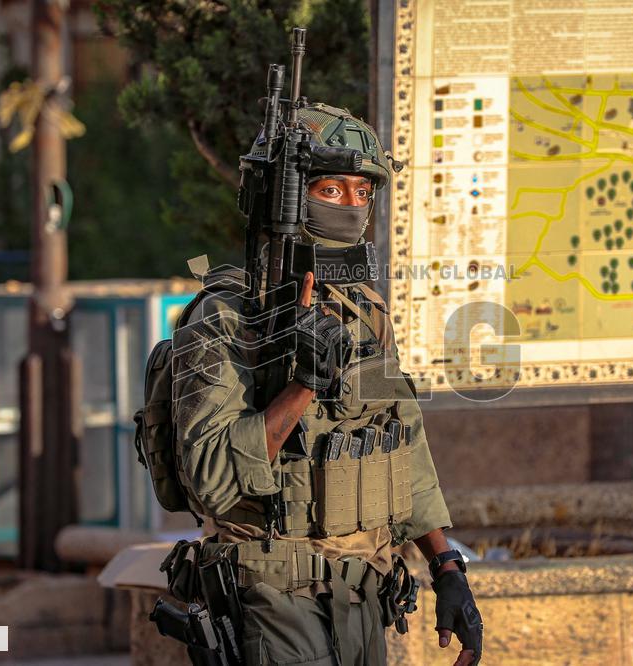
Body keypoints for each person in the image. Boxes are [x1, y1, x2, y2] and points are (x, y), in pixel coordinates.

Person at [171, 103, 483, 666]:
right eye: (331, 190)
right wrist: (304, 385)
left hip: (363, 591)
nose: (351, 206)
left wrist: (446, 567)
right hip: (272, 591)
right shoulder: (225, 319)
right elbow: (211, 480)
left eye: (362, 192)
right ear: (285, 198)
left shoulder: (365, 310)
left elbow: (402, 442)